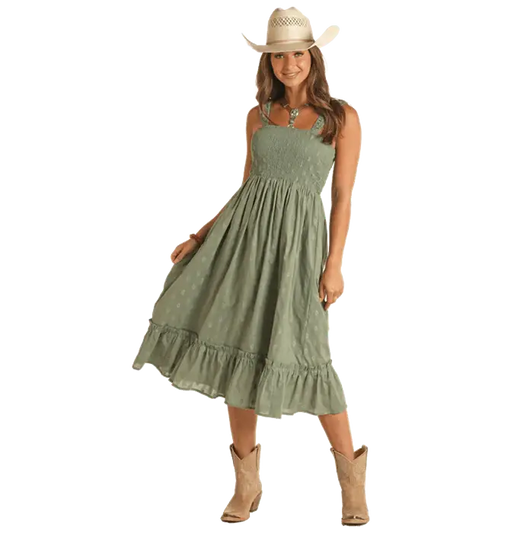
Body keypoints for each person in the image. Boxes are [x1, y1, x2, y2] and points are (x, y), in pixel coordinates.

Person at [130, 4, 370, 528]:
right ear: (269, 62)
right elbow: (246, 186)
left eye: (297, 54)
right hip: (242, 244)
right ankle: (246, 483)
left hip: (298, 252)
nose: (289, 64)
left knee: (310, 354)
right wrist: (200, 235)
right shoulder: (257, 116)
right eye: (278, 56)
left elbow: (343, 198)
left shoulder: (341, 117)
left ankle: (352, 483)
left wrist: (335, 264)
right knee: (236, 348)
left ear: (313, 55)